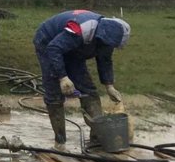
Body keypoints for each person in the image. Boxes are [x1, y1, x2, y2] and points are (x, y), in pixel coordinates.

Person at [33, 10, 131, 149]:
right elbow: (54, 49)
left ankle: (97, 139)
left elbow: (105, 60)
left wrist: (109, 85)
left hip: (74, 49)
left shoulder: (107, 39)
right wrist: (63, 77)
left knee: (89, 91)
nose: (108, 47)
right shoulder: (82, 28)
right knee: (54, 93)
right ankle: (60, 141)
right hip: (48, 42)